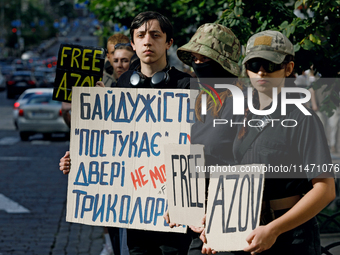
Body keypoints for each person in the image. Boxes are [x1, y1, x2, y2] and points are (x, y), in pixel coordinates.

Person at [60, 11, 193, 255]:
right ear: (133, 43)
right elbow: (109, 145)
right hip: (136, 216)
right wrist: (79, 159)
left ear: (169, 42)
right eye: (140, 36)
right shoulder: (122, 88)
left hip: (174, 215)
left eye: (155, 35)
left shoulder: (187, 87)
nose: (147, 41)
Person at [200, 30, 335, 255]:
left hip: (289, 238)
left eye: (270, 65)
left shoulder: (302, 118)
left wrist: (274, 229)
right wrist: (216, 219)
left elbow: (325, 189)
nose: (261, 71)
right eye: (254, 64)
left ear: (288, 68)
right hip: (244, 230)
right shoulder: (239, 112)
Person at [169, 23, 244, 255]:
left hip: (231, 225)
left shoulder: (243, 104)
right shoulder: (198, 103)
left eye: (205, 59)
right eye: (194, 59)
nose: (198, 65)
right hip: (198, 228)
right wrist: (179, 204)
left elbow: (247, 168)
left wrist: (217, 220)